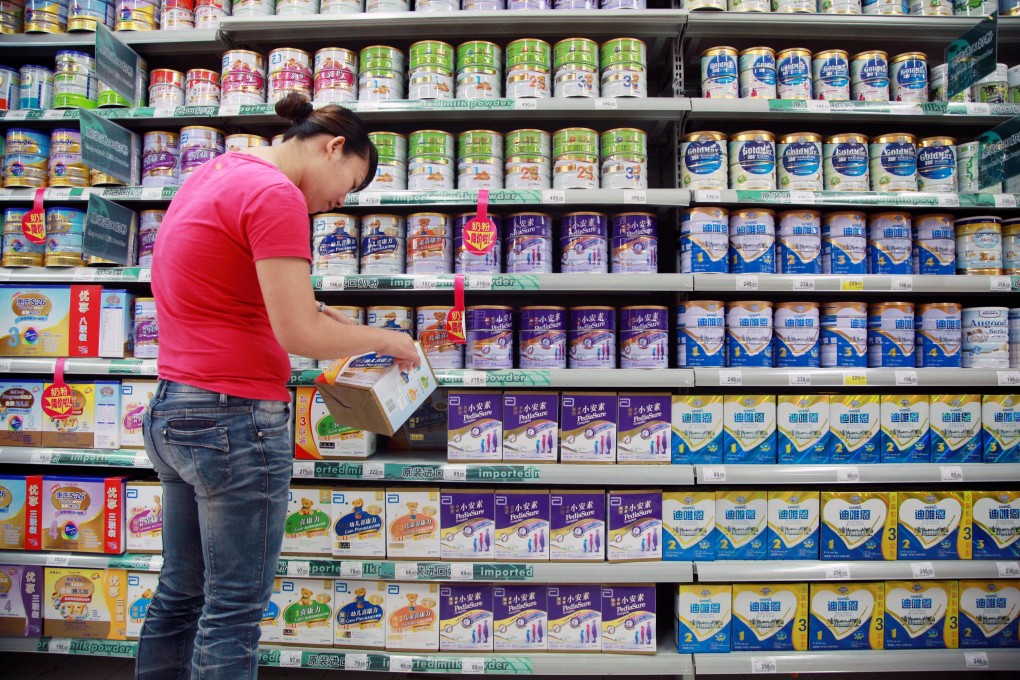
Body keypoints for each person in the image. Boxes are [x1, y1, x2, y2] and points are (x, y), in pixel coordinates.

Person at [136, 93, 419, 679]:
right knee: (233, 609)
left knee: (180, 593)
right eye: (352, 182)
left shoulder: (217, 171)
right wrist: (386, 340)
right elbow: (297, 332)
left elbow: (218, 280)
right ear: (333, 145)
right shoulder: (276, 195)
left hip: (174, 408)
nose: (343, 200)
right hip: (231, 419)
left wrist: (317, 309)